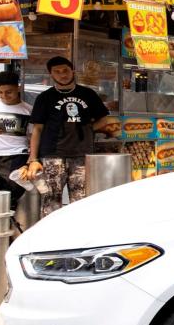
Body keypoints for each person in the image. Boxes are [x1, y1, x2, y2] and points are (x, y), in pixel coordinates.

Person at [23, 57, 114, 217]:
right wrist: (33, 159)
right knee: (51, 200)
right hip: (52, 155)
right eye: (57, 72)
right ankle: (50, 237)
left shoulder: (88, 94)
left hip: (82, 155)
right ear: (51, 74)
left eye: (65, 70)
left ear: (72, 71)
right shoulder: (45, 97)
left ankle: (78, 238)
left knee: (81, 201)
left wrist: (88, 129)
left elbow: (104, 118)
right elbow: (37, 129)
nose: (62, 75)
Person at [0, 71, 33, 205]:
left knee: (10, 200)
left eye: (9, 92)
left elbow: (33, 137)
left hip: (17, 157)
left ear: (18, 87)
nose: (4, 96)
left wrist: (30, 162)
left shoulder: (28, 110)